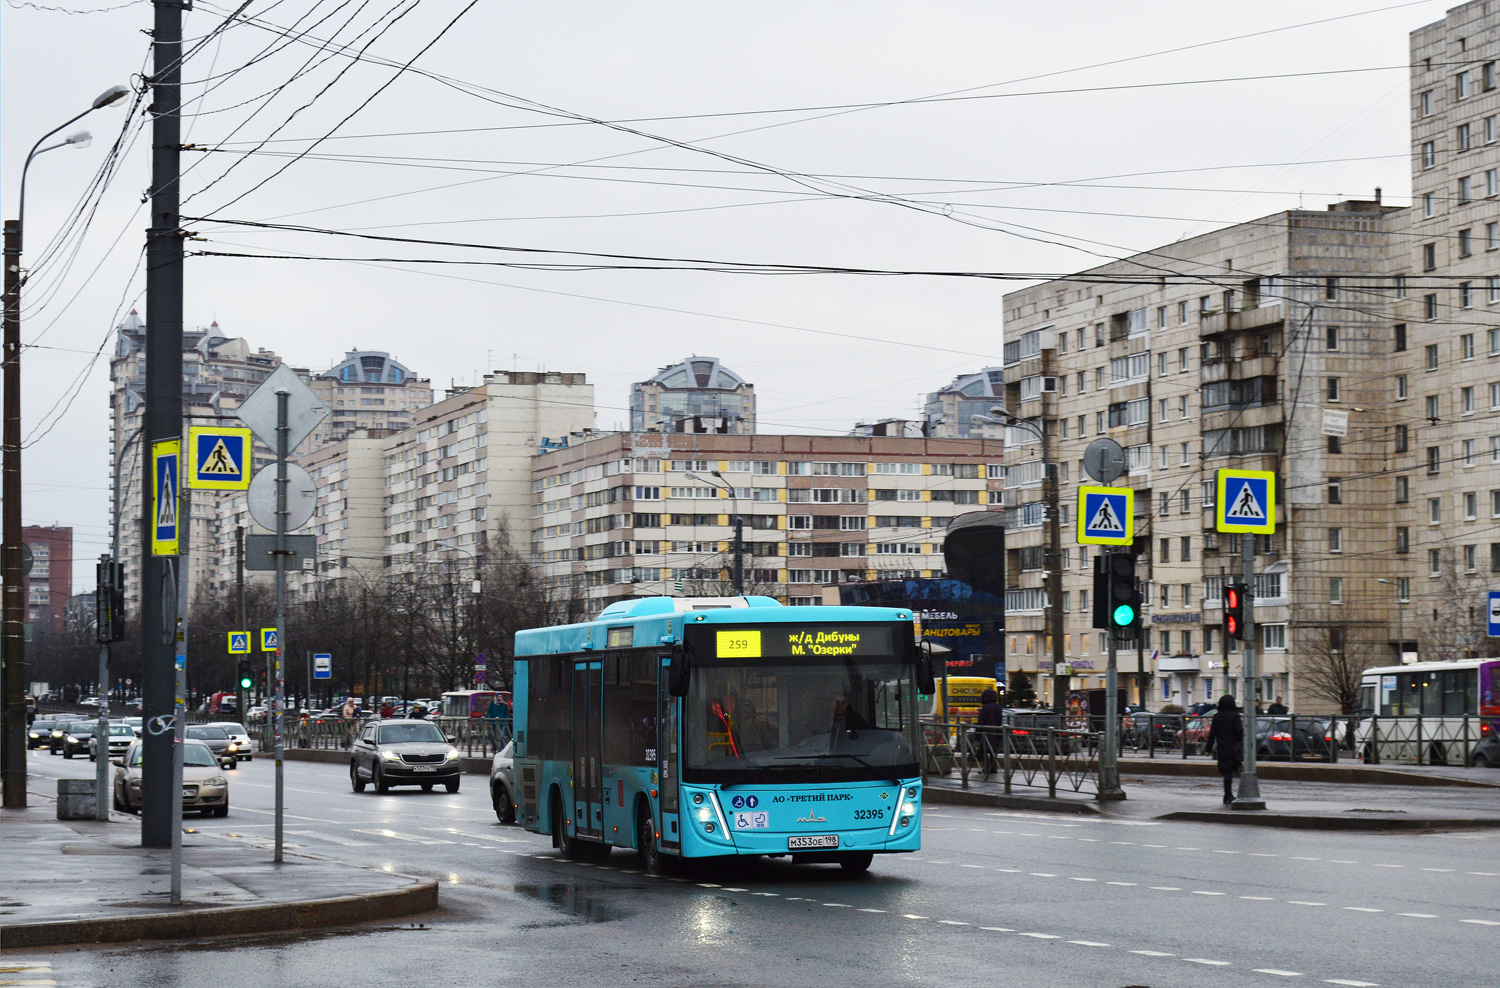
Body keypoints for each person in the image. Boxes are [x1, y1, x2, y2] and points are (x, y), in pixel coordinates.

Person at [1204, 695, 1245, 805]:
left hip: (1222, 747)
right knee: (1230, 770)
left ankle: (1227, 794)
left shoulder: (1217, 716)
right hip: (1232, 747)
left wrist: (1208, 749)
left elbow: (1212, 733)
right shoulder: (1235, 716)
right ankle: (1228, 795)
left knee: (1226, 770)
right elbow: (1239, 731)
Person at [976, 687, 1004, 777]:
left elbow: (981, 721)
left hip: (986, 732)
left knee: (984, 750)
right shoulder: (998, 707)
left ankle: (987, 767)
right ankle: (993, 767)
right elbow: (999, 720)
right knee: (993, 751)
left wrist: (978, 731)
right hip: (996, 731)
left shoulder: (985, 707)